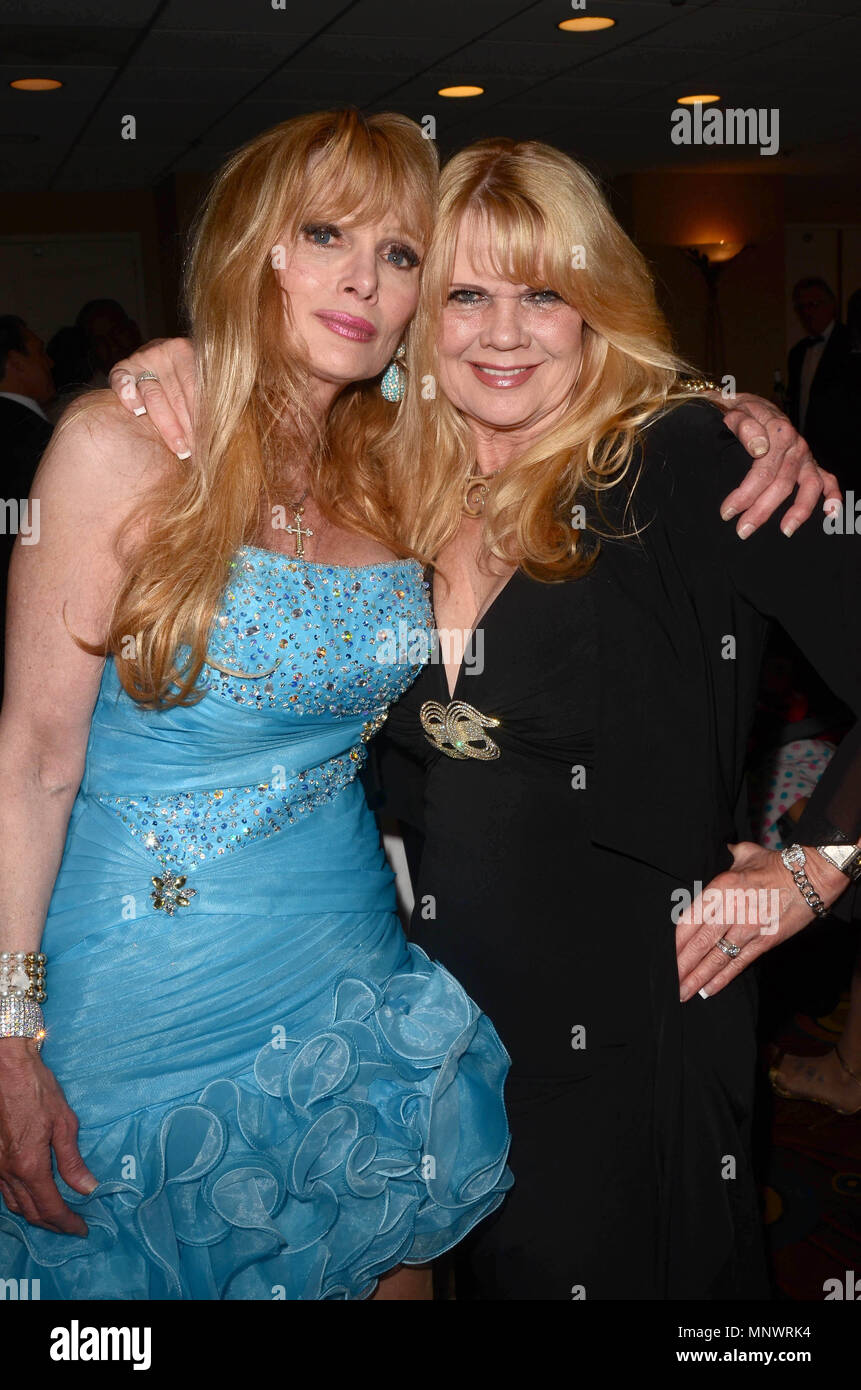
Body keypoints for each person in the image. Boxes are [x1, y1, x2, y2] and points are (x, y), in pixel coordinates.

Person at [107, 131, 852, 1300]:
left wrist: (817, 864)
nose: (503, 332)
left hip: (636, 1015)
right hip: (431, 1031)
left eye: (543, 292)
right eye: (464, 292)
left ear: (594, 309)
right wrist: (177, 358)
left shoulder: (690, 462)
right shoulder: (381, 484)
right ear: (416, 317)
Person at [0, 109, 514, 1302]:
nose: (363, 280)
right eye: (326, 232)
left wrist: (734, 416)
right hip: (139, 992)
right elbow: (29, 762)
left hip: (348, 972)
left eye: (399, 256)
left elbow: (584, 404)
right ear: (256, 253)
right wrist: (6, 1032)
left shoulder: (407, 466)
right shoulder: (113, 449)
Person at [0, 316, 55, 696]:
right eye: (38, 351)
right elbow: (23, 529)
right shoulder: (30, 438)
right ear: (15, 362)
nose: (49, 362)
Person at [787, 277, 856, 484]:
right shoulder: (798, 352)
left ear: (831, 305)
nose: (808, 312)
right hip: (808, 451)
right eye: (802, 307)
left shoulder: (850, 342)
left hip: (844, 453)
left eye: (814, 305)